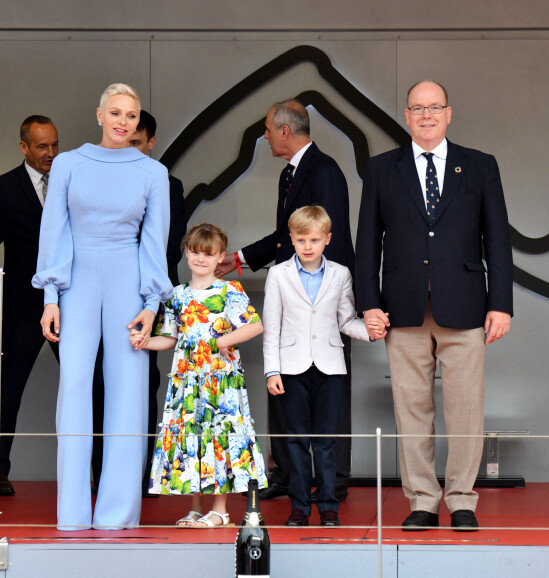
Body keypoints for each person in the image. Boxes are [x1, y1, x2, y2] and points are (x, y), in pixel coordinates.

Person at [355, 80, 513, 531]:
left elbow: (497, 239)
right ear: (406, 115)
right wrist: (368, 303)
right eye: (418, 108)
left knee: (466, 408)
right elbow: (368, 244)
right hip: (401, 308)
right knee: (411, 409)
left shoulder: (480, 166)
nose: (426, 115)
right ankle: (422, 499)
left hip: (464, 305)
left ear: (449, 113)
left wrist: (501, 303)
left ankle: (462, 499)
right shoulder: (382, 169)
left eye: (435, 107)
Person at [32, 83, 172, 530]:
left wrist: (152, 304)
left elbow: (155, 243)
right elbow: (54, 231)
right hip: (76, 285)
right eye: (115, 113)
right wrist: (50, 297)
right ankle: (72, 514)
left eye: (131, 116)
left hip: (129, 285)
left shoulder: (154, 172)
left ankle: (117, 514)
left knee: (129, 395)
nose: (123, 122)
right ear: (99, 114)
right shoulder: (69, 164)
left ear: (138, 122)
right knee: (73, 390)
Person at [215, 99, 354, 501]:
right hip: (292, 298)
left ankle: (334, 481)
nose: (264, 136)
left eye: (267, 129)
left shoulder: (323, 171)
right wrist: (240, 259)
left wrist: (333, 301)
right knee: (285, 388)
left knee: (330, 396)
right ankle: (290, 476)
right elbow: (285, 236)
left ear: (284, 132)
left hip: (323, 304)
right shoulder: (292, 173)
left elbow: (331, 238)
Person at [133, 223, 267, 528]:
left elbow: (254, 325)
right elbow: (169, 338)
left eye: (208, 254)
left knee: (218, 438)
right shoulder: (176, 294)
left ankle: (219, 510)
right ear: (186, 252)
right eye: (195, 252)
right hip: (186, 381)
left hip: (220, 380)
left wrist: (222, 341)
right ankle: (196, 507)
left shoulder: (229, 290)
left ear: (220, 256)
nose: (201, 259)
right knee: (192, 439)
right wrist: (144, 341)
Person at [91, 109, 187, 497]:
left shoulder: (167, 183)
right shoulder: (94, 176)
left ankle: (144, 470)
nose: (127, 145)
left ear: (149, 143)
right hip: (102, 294)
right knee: (101, 380)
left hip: (151, 294)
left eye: (136, 140)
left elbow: (167, 245)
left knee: (144, 381)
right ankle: (101, 468)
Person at [263, 206, 378, 527]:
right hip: (291, 368)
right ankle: (299, 507)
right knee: (296, 440)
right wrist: (272, 370)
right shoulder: (278, 274)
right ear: (291, 240)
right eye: (301, 240)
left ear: (327, 239)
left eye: (314, 239)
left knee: (327, 441)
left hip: (330, 368)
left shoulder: (341, 274)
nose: (308, 246)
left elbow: (346, 321)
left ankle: (328, 506)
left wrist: (370, 331)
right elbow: (272, 326)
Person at [0, 116, 60, 496]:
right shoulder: (4, 188)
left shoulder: (70, 182)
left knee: (87, 387)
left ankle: (97, 470)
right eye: (42, 147)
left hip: (70, 305)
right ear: (24, 147)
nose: (51, 154)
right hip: (23, 306)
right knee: (9, 388)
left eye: (55, 145)